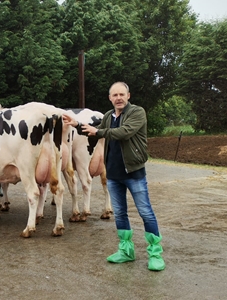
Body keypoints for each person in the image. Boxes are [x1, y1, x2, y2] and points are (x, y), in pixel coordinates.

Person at [62, 82, 165, 271]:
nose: (118, 98)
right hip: (114, 174)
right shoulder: (109, 116)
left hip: (133, 172)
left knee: (145, 212)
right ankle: (126, 251)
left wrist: (99, 131)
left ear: (128, 96)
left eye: (121, 94)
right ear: (110, 98)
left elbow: (124, 132)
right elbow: (93, 132)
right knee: (120, 213)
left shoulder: (137, 113)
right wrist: (76, 123)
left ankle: (155, 253)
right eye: (114, 95)